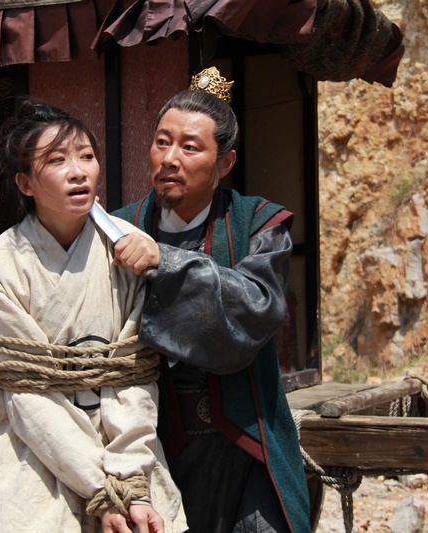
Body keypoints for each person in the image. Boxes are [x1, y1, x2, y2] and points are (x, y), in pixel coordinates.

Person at [0, 97, 187, 533]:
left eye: (86, 156)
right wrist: (99, 490)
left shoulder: (128, 250)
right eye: (57, 160)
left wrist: (129, 483)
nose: (78, 171)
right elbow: (28, 393)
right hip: (31, 443)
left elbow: (133, 377)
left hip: (123, 448)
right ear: (25, 183)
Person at [113, 68, 311, 533]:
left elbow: (256, 309)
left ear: (225, 163)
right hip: (152, 444)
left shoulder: (258, 224)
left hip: (245, 441)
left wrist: (164, 261)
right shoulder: (118, 229)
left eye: (190, 147)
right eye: (162, 142)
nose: (170, 158)